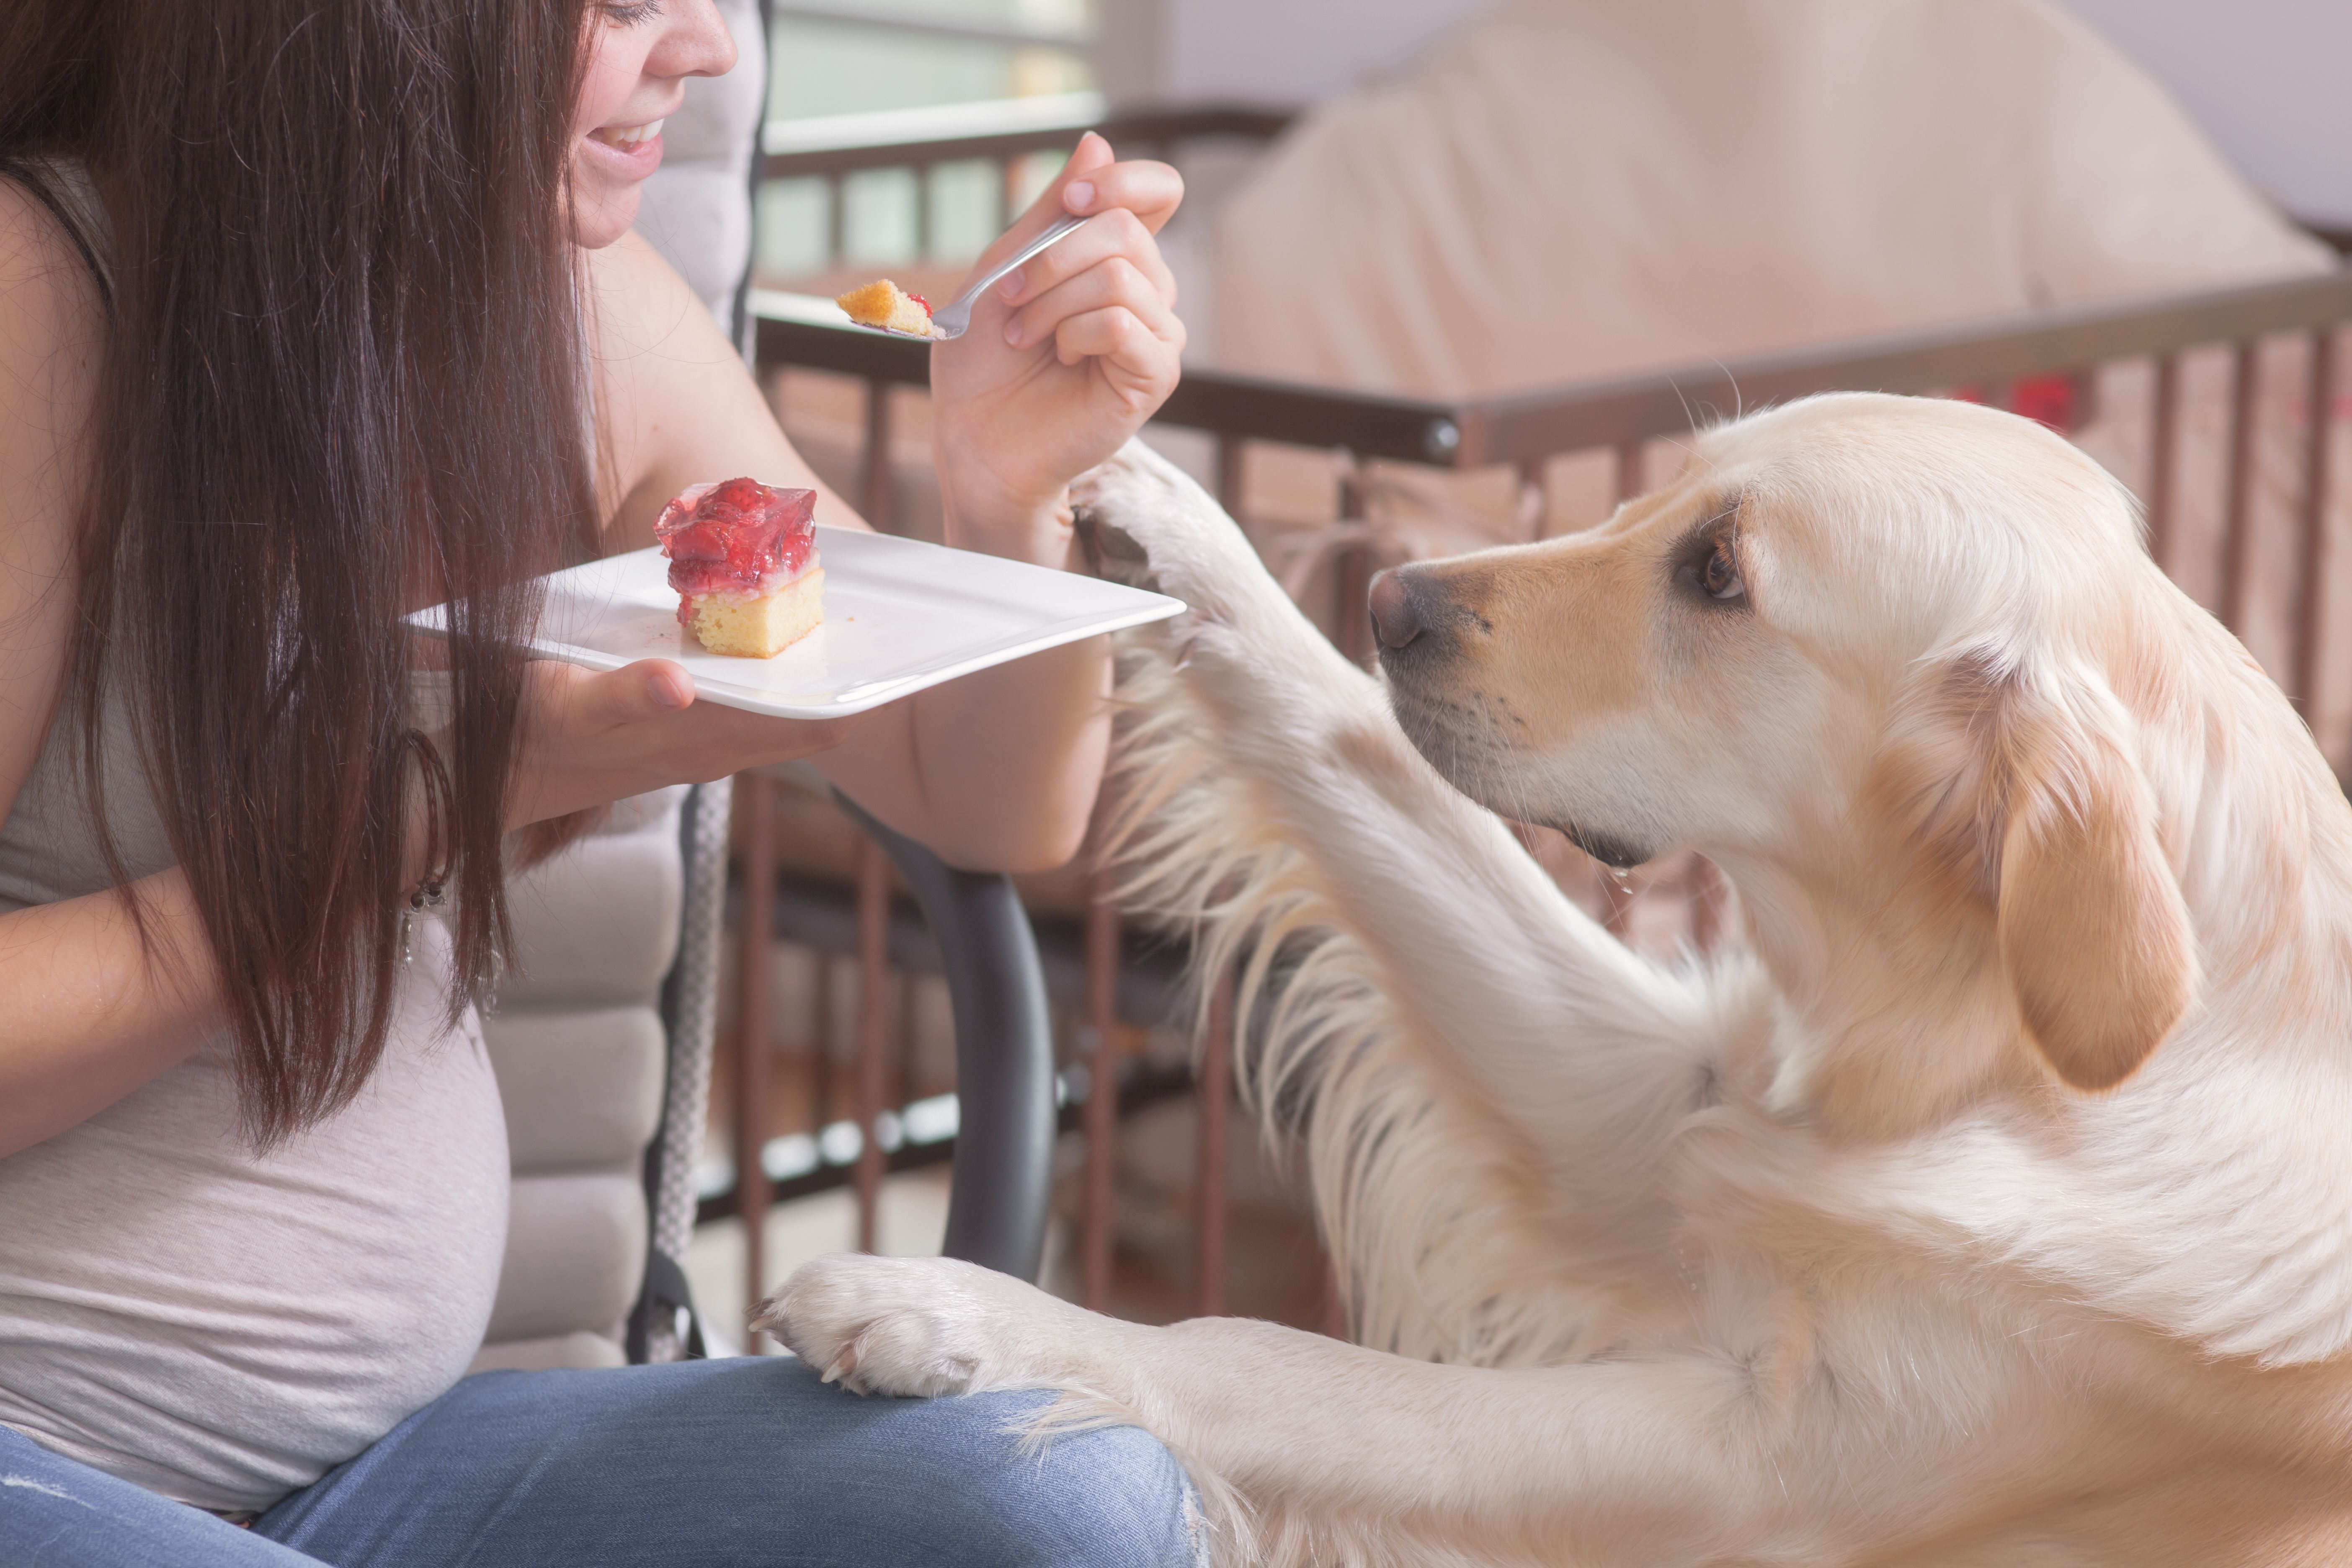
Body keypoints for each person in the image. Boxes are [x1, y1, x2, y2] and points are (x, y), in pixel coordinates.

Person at [0, 1, 1199, 1563]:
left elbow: (976, 797)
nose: (705, 47)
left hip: (375, 1478)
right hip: (40, 1444)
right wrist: (439, 804)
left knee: (1072, 1496)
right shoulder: (41, 304)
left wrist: (1007, 495)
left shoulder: (585, 319)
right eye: (624, 3)